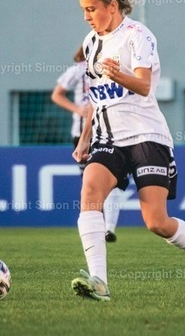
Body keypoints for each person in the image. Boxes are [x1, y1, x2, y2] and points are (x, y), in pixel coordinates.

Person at [70, 0, 185, 301]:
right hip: (108, 139)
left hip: (146, 137)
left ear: (112, 5)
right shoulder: (91, 43)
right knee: (90, 192)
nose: (86, 17)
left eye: (91, 9)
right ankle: (99, 282)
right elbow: (96, 98)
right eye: (83, 10)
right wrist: (84, 138)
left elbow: (142, 85)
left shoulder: (138, 36)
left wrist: (118, 74)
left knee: (156, 221)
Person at [51, 47, 122, 242]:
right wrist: (77, 109)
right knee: (92, 183)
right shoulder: (78, 69)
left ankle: (108, 228)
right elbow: (57, 94)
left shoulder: (112, 67)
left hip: (109, 132)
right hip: (83, 133)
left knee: (110, 180)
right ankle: (99, 227)